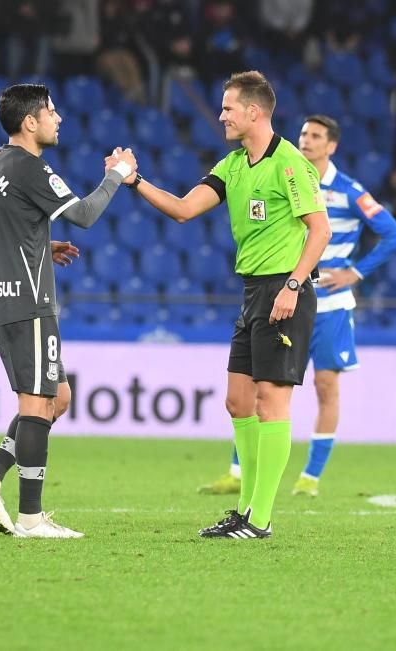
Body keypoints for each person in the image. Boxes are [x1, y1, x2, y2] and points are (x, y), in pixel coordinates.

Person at [128, 71, 330, 539]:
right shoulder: (233, 164)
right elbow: (182, 209)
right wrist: (134, 180)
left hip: (285, 290)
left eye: (227, 108)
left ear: (253, 112)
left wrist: (294, 286)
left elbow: (320, 231)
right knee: (238, 400)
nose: (220, 115)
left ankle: (259, 519)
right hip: (253, 291)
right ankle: (244, 512)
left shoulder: (290, 164)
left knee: (271, 402)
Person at [198, 115, 396, 498]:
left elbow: (395, 234)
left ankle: (310, 476)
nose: (306, 141)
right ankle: (238, 472)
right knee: (259, 388)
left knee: (325, 387)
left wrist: (356, 272)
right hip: (283, 300)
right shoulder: (285, 173)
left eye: (316, 137)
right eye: (303, 134)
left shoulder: (349, 191)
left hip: (329, 306)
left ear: (332, 146)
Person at [0, 83, 137, 538]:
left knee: (57, 398)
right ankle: (32, 518)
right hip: (29, 302)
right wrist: (117, 173)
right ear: (29, 122)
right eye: (51, 111)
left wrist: (37, 240)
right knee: (39, 403)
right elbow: (85, 215)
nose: (58, 118)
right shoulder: (29, 167)